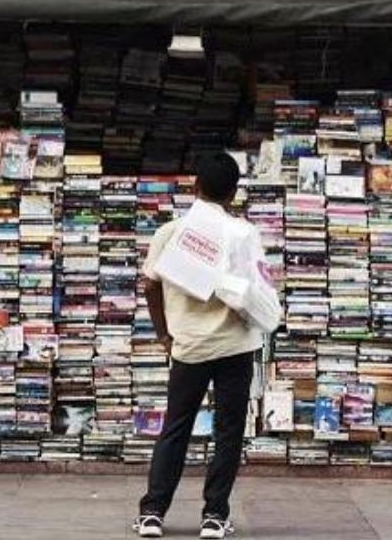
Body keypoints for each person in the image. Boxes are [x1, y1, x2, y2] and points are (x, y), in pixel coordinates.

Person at [134, 153, 266, 540]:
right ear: (233, 194)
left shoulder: (171, 233)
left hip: (188, 346)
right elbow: (258, 289)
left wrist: (162, 333)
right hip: (236, 346)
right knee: (228, 431)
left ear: (195, 188)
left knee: (174, 427)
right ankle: (214, 515)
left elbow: (151, 285)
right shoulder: (244, 234)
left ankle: (152, 513)